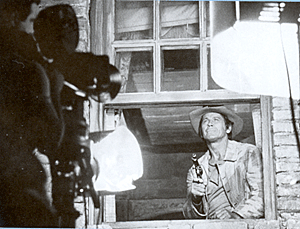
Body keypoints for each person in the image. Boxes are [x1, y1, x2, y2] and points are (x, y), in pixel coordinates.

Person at [0, 0, 65, 227]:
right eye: (32, 22)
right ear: (11, 19)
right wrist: (54, 88)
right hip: (14, 181)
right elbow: (51, 138)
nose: (34, 33)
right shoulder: (27, 67)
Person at [183, 106, 264, 219]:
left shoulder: (247, 153)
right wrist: (195, 200)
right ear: (201, 133)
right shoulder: (195, 170)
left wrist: (235, 216)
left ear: (228, 128)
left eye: (216, 119)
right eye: (205, 120)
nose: (210, 123)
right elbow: (189, 216)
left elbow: (263, 197)